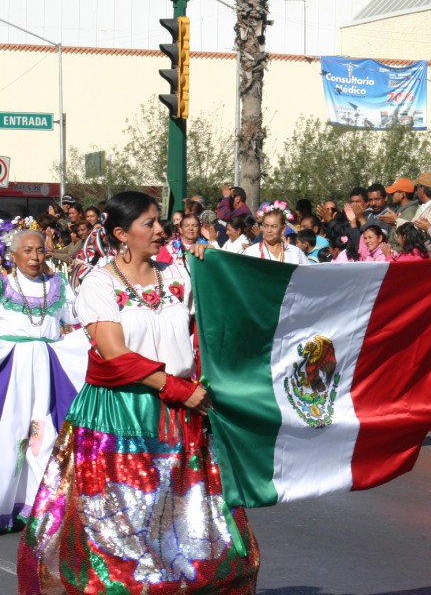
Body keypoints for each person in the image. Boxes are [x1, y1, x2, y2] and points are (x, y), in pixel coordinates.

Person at [17, 191, 260, 590]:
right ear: (121, 234)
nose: (161, 230)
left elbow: (228, 318)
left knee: (190, 525)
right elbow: (114, 354)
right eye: (149, 223)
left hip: (182, 417)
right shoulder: (99, 284)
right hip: (120, 414)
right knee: (122, 529)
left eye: (159, 221)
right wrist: (179, 390)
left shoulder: (182, 275)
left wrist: (211, 265)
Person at [0, 230, 88, 532]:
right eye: (28, 251)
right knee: (9, 434)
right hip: (12, 371)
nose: (35, 257)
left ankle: (39, 506)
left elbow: (80, 316)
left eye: (40, 251)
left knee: (44, 434)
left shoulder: (57, 286)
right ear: (14, 255)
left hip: (47, 371)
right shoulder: (3, 286)